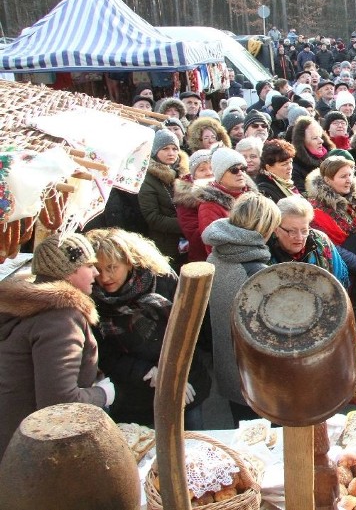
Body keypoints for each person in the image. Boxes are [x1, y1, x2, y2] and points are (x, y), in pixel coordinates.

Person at [0, 234, 114, 457]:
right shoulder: (61, 318)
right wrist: (102, 395)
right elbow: (58, 401)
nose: (96, 273)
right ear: (69, 270)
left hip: (16, 444)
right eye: (89, 265)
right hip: (34, 455)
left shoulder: (34, 309)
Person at [86, 228, 209, 428]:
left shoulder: (161, 279)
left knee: (193, 444)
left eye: (111, 267)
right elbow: (105, 354)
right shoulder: (92, 299)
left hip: (185, 383)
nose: (105, 278)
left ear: (129, 261)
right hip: (134, 395)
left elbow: (189, 331)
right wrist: (148, 372)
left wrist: (173, 377)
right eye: (98, 270)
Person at [203, 193, 280, 425]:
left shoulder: (216, 256)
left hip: (229, 370)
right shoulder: (255, 273)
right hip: (260, 380)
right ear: (263, 227)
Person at [305, 155, 356, 282]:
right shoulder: (315, 210)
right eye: (343, 176)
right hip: (341, 272)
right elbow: (326, 244)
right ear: (328, 180)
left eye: (350, 175)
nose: (349, 180)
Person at [270, 196, 350, 286]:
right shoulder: (267, 252)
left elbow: (340, 281)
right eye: (292, 231)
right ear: (276, 229)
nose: (300, 237)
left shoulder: (321, 241)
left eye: (304, 230)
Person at [138, 129, 188, 266]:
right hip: (165, 245)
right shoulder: (147, 179)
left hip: (188, 241)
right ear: (154, 151)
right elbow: (153, 218)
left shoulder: (184, 174)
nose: (171, 153)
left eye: (174, 148)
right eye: (165, 148)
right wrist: (186, 224)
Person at [197, 147, 256, 252]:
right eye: (234, 170)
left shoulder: (254, 197)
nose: (240, 173)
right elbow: (214, 247)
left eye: (243, 169)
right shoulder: (209, 207)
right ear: (220, 176)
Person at [291, 116, 335, 192]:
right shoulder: (295, 167)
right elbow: (303, 194)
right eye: (314, 138)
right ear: (302, 143)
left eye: (320, 137)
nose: (321, 141)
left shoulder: (332, 158)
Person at [255, 139, 300, 203]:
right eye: (284, 164)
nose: (290, 167)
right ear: (268, 167)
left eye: (291, 162)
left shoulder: (287, 184)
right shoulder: (264, 192)